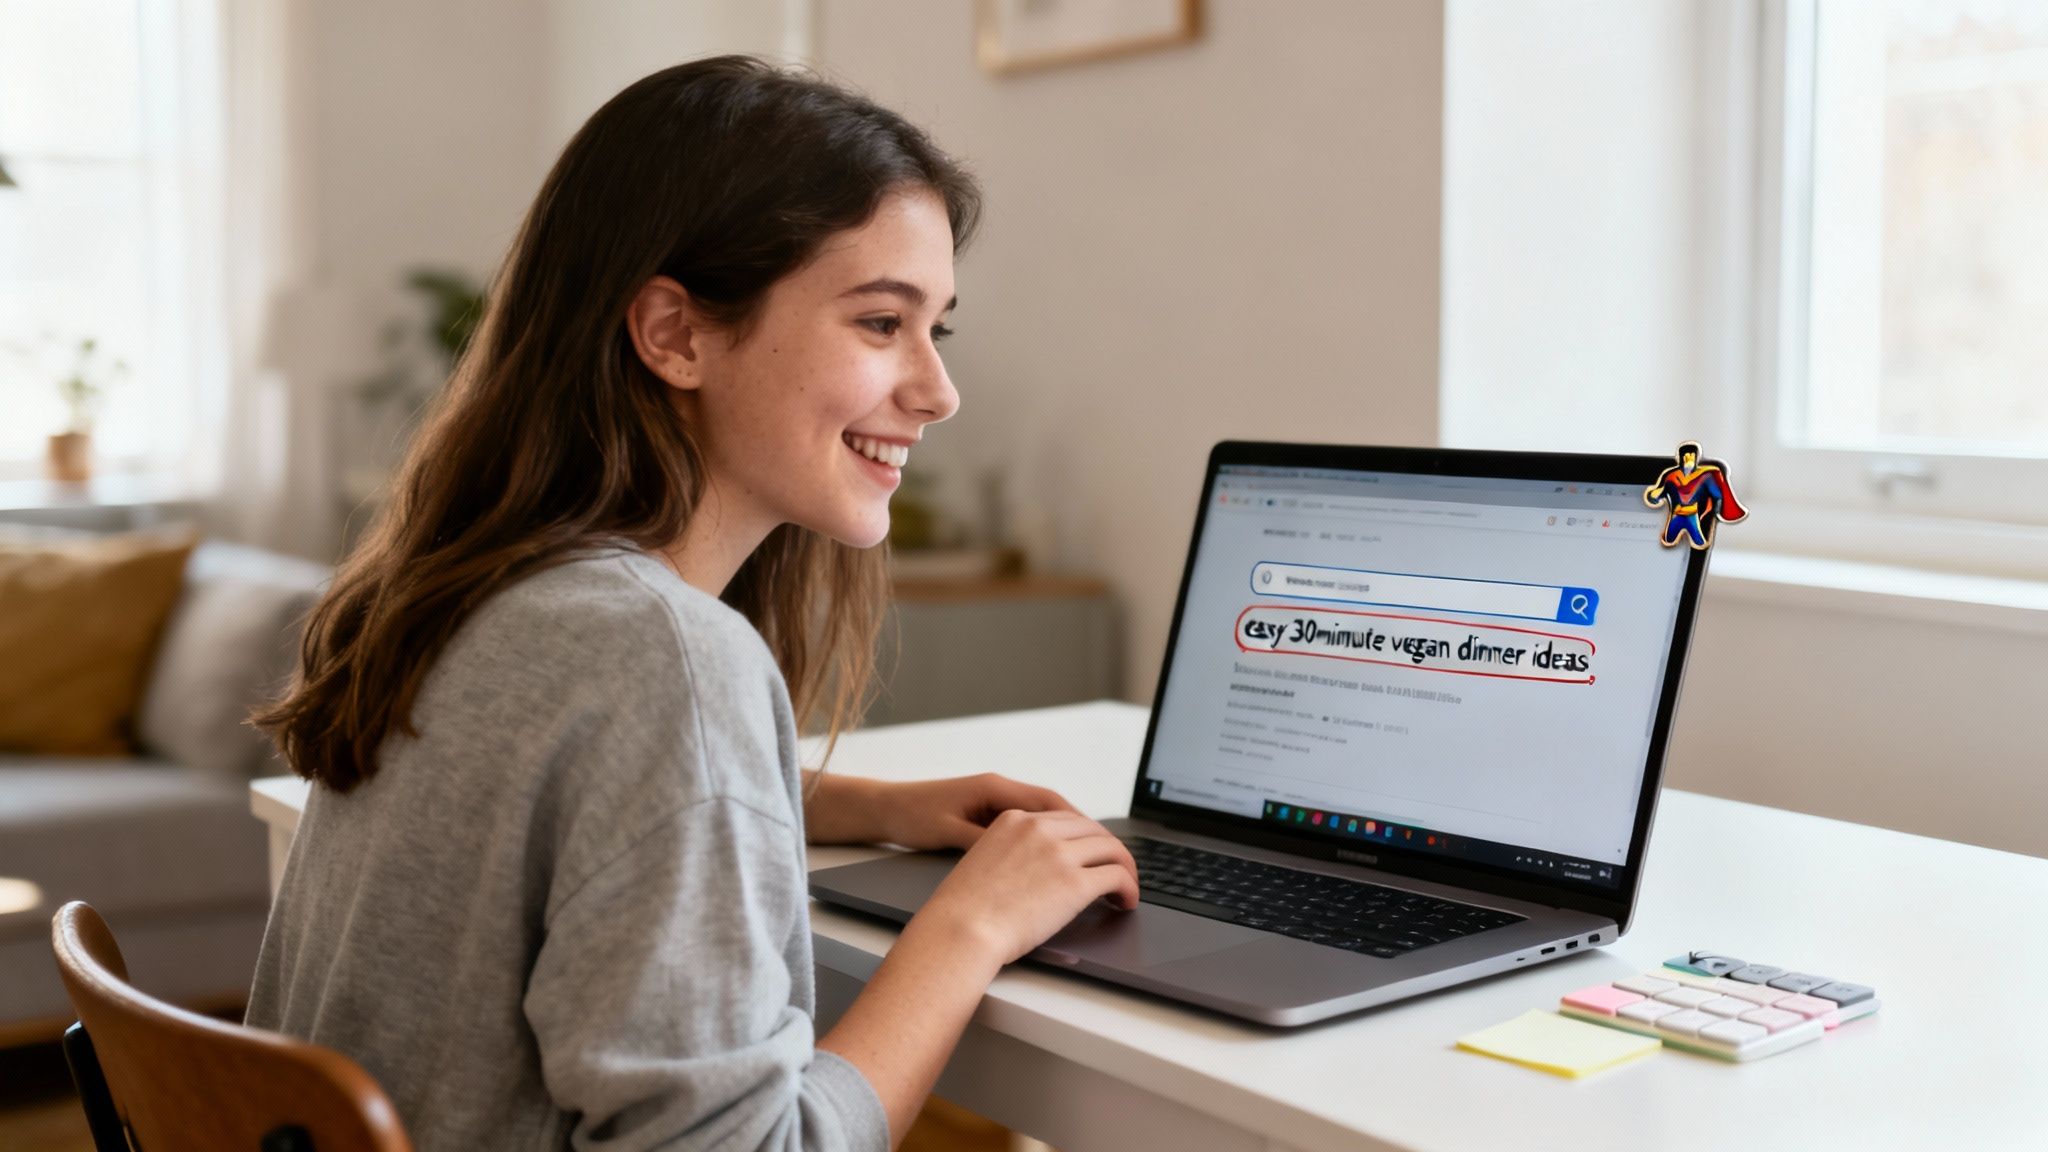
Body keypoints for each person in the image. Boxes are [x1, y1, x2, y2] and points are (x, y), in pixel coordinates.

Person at [247, 56, 1139, 1152]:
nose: (936, 390)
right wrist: (969, 926)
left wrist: (857, 804)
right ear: (673, 333)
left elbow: (564, 802)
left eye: (934, 328)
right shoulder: (660, 658)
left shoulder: (484, 589)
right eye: (877, 323)